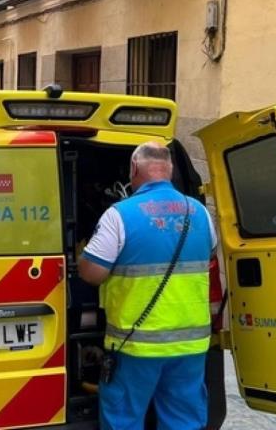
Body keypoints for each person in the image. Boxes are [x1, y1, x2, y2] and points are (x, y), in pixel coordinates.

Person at [78, 142, 217, 430]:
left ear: (133, 168)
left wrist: (82, 256)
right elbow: (208, 255)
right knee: (184, 421)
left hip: (136, 345)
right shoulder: (200, 213)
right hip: (190, 345)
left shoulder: (120, 215)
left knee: (124, 419)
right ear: (170, 169)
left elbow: (92, 273)